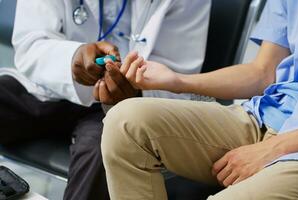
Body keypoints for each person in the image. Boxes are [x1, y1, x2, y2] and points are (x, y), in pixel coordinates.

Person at [101, 0, 298, 199]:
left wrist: (273, 149)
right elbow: (263, 72)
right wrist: (177, 81)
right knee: (126, 123)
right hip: (267, 116)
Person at [0, 0, 210, 199]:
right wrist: (73, 57)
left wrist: (133, 89)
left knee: (109, 148)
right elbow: (30, 44)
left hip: (128, 103)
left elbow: (176, 80)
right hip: (51, 85)